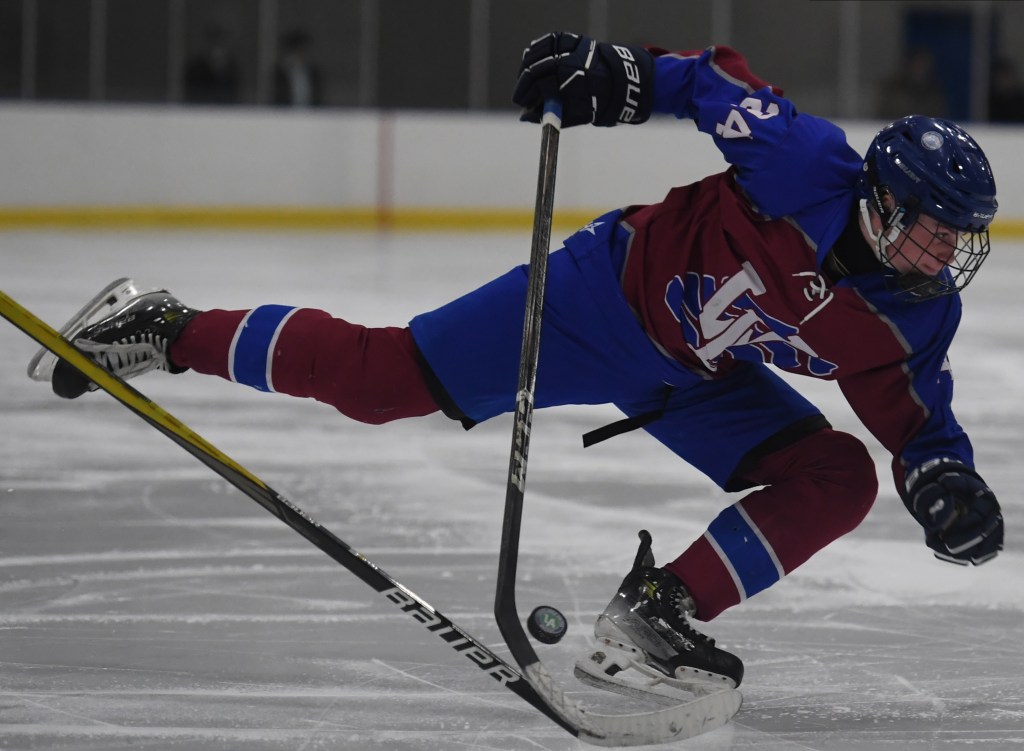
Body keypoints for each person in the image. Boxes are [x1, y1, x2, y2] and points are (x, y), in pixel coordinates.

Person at [47, 32, 1003, 694]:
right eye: (928, 231)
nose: (941, 255)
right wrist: (622, 73)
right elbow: (713, 79)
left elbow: (918, 424)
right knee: (379, 382)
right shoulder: (803, 163)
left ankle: (659, 607)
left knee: (837, 476)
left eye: (955, 240)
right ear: (878, 199)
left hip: (694, 378)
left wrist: (946, 481)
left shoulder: (916, 317)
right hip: (601, 299)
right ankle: (165, 327)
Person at [272, 29, 322, 107]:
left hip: (311, 115)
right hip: (284, 114)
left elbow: (319, 97)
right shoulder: (279, 74)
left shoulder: (314, 73)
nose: (304, 54)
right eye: (301, 50)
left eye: (306, 51)